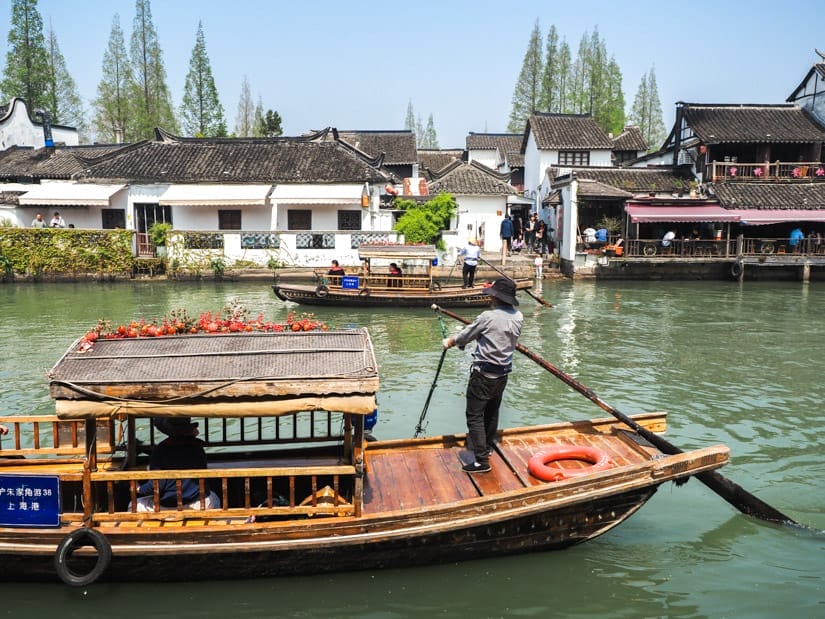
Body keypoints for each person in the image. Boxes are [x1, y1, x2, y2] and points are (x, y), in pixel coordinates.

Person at [442, 278, 523, 474]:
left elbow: (465, 336)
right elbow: (489, 335)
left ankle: (481, 461)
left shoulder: (488, 317)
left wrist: (450, 342)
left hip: (484, 375)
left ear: (496, 297)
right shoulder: (518, 316)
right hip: (503, 373)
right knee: (492, 411)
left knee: (474, 415)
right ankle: (486, 447)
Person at [134, 417, 220, 512]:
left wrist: (139, 488)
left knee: (133, 505)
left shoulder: (160, 450)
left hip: (168, 507)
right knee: (214, 497)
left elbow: (156, 485)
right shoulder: (197, 448)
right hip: (199, 504)